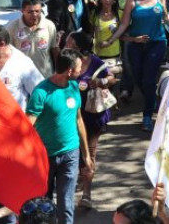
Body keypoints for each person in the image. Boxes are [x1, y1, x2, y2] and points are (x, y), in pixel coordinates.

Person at [26, 49, 93, 224]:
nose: (82, 70)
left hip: (71, 154)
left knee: (66, 204)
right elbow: (27, 127)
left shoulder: (73, 87)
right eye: (79, 67)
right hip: (45, 157)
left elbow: (78, 120)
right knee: (44, 204)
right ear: (69, 71)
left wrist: (86, 154)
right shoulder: (41, 92)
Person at [107, 0, 169, 131]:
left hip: (157, 43)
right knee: (138, 77)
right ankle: (151, 100)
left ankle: (147, 117)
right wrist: (111, 40)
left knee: (149, 79)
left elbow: (166, 18)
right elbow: (124, 24)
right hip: (136, 45)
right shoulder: (132, 1)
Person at [64, 31, 115, 210]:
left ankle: (87, 194)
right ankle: (80, 176)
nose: (66, 43)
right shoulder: (66, 60)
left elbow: (111, 77)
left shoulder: (96, 62)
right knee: (73, 153)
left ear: (77, 46)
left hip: (93, 116)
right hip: (70, 116)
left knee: (89, 154)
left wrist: (100, 82)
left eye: (69, 41)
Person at [0, 24, 43, 110]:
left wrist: (32, 117)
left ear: (2, 44)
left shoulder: (23, 64)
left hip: (10, 121)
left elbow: (40, 94)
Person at [6, 0, 58, 79]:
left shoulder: (49, 26)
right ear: (22, 11)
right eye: (30, 12)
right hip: (22, 76)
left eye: (37, 11)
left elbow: (54, 49)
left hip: (44, 76)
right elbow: (7, 53)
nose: (34, 15)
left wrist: (58, 72)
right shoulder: (12, 27)